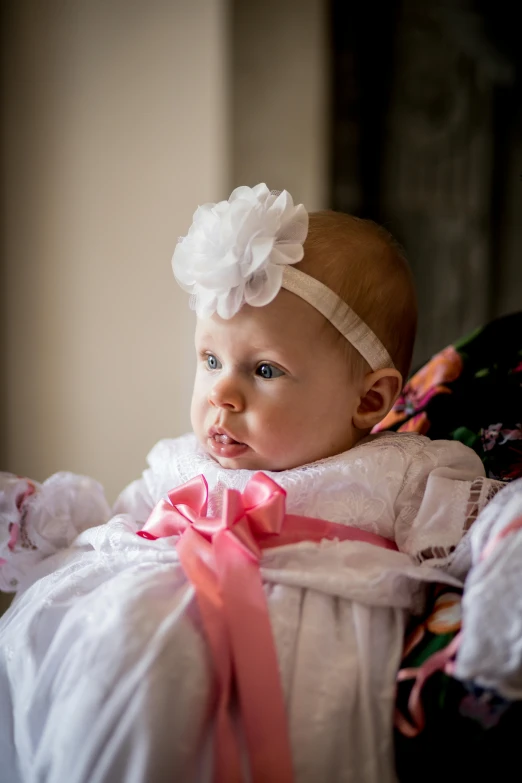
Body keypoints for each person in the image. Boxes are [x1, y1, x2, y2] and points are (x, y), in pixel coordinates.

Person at [0, 185, 500, 783]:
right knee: (104, 655)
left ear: (369, 400)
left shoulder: (400, 471)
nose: (221, 393)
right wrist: (39, 522)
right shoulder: (180, 463)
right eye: (210, 360)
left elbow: (489, 528)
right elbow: (117, 518)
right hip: (129, 621)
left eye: (263, 370)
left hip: (288, 655)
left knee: (164, 675)